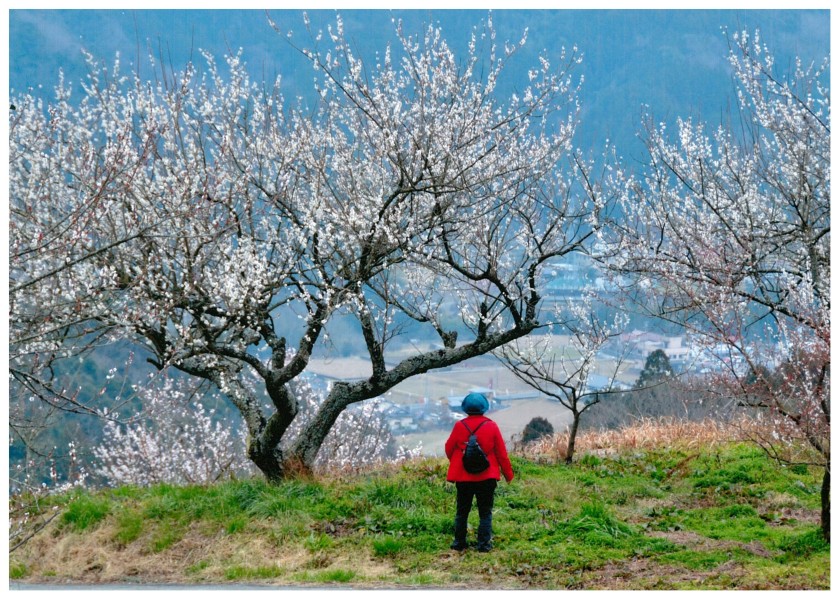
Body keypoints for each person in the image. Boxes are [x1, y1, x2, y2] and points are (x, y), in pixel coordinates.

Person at [444, 392, 514, 552]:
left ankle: (459, 544)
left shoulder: (459, 426)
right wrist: (508, 474)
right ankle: (484, 545)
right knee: (485, 512)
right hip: (487, 477)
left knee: (462, 511)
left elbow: (449, 448)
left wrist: (459, 461)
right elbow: (502, 454)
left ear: (465, 408)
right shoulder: (492, 426)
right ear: (485, 408)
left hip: (463, 478)